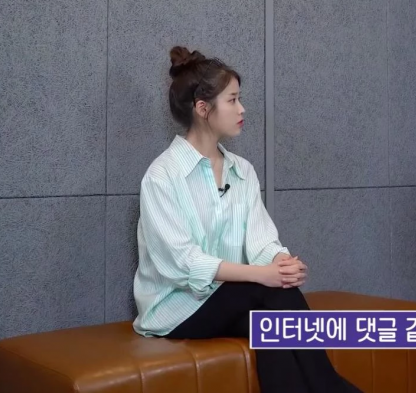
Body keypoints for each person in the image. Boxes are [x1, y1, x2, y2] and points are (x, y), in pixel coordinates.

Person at [132, 46, 361, 393]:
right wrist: (262, 275)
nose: (242, 109)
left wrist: (281, 263)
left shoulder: (242, 171)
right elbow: (183, 262)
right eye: (233, 100)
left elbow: (260, 241)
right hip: (176, 308)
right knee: (268, 291)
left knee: (272, 323)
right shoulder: (162, 176)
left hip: (231, 300)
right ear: (203, 109)